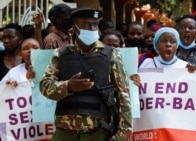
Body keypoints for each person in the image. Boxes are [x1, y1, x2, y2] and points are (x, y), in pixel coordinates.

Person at [39, 7, 132, 141]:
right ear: (75, 28)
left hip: (97, 133)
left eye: (94, 25)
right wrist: (68, 86)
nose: (92, 29)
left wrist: (123, 135)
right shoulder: (61, 54)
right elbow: (44, 87)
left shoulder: (111, 55)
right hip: (65, 133)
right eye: (87, 25)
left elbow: (124, 97)